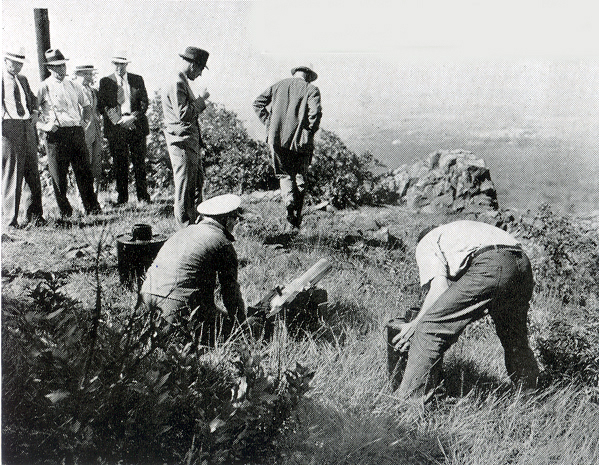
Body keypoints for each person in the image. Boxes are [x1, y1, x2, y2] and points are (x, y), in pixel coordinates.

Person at [393, 220, 540, 402]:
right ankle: (530, 400)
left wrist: (416, 323)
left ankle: (410, 406)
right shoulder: (460, 232)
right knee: (514, 339)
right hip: (522, 264)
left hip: (492, 263)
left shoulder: (427, 242)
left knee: (428, 328)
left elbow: (440, 287)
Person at [141, 193, 245, 345]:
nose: (235, 223)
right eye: (235, 218)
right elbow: (230, 295)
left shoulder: (183, 232)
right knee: (231, 333)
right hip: (177, 310)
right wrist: (242, 325)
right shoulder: (222, 243)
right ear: (226, 219)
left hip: (145, 305)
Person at [253, 65, 322, 230]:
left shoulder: (278, 85)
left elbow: (257, 104)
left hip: (276, 138)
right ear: (308, 76)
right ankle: (296, 217)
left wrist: (269, 124)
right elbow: (315, 114)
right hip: (301, 141)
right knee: (300, 176)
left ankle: (289, 203)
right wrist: (308, 132)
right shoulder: (311, 89)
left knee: (284, 175)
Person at [37, 48, 101, 217]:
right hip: (56, 135)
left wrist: (84, 122)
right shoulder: (44, 87)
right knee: (59, 176)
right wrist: (45, 126)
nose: (61, 70)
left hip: (75, 132)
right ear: (50, 68)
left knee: (84, 172)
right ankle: (65, 213)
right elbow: (33, 112)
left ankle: (92, 209)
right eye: (57, 67)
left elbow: (86, 106)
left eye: (63, 66)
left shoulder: (74, 85)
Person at [161, 46, 210, 228]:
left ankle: (194, 224)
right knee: (185, 186)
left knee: (196, 182)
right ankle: (185, 228)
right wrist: (202, 99)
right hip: (181, 142)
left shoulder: (180, 80)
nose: (199, 75)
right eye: (200, 69)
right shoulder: (177, 82)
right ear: (193, 66)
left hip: (187, 141)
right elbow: (184, 114)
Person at [98, 51, 150, 205]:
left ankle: (143, 196)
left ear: (127, 64)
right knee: (120, 164)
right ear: (112, 64)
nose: (119, 67)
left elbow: (144, 103)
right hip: (117, 128)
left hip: (136, 124)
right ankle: (122, 198)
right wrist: (120, 120)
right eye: (116, 64)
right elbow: (104, 106)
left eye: (122, 64)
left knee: (139, 162)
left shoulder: (137, 80)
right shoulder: (105, 82)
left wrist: (133, 117)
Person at [2, 47, 45, 229]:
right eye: (14, 63)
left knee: (32, 172)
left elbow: (33, 99)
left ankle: (35, 216)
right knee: (13, 173)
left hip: (27, 126)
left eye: (20, 63)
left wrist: (35, 112)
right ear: (5, 62)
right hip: (9, 128)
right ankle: (11, 221)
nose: (17, 67)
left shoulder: (23, 80)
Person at [73, 64, 102, 195]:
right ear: (77, 75)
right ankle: (83, 199)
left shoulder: (93, 90)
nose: (89, 77)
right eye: (85, 74)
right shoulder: (73, 90)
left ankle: (94, 197)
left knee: (96, 166)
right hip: (82, 133)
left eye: (90, 74)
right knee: (83, 166)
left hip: (95, 131)